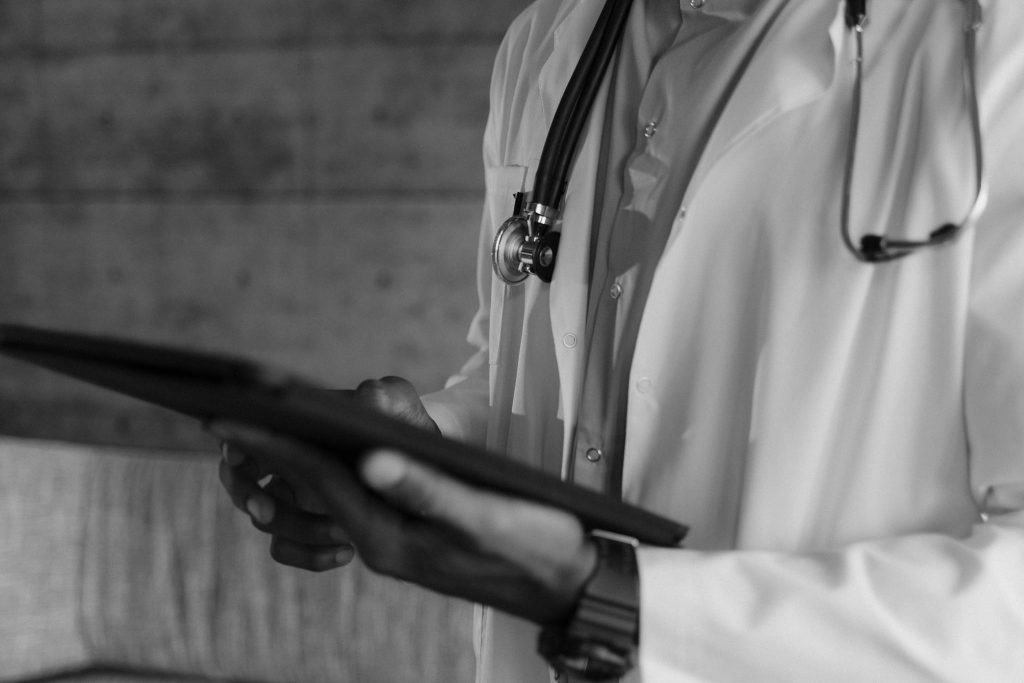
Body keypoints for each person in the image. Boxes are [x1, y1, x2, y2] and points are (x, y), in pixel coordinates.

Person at [214, 0, 1024, 680]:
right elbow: (529, 376)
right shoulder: (547, 41)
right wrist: (418, 447)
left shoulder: (991, 47)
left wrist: (613, 601)